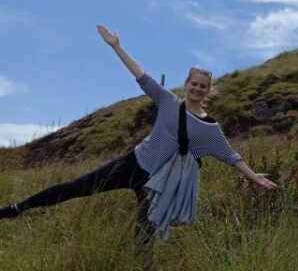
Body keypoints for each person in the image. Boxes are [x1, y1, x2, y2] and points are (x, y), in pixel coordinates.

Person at [0, 25, 278, 245]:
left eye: (203, 86)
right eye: (194, 83)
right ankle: (16, 208)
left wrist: (255, 177)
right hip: (131, 163)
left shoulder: (210, 129)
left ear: (208, 90)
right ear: (187, 84)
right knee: (75, 188)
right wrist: (116, 46)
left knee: (143, 237)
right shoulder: (168, 101)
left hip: (155, 184)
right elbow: (141, 75)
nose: (197, 89)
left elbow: (230, 155)